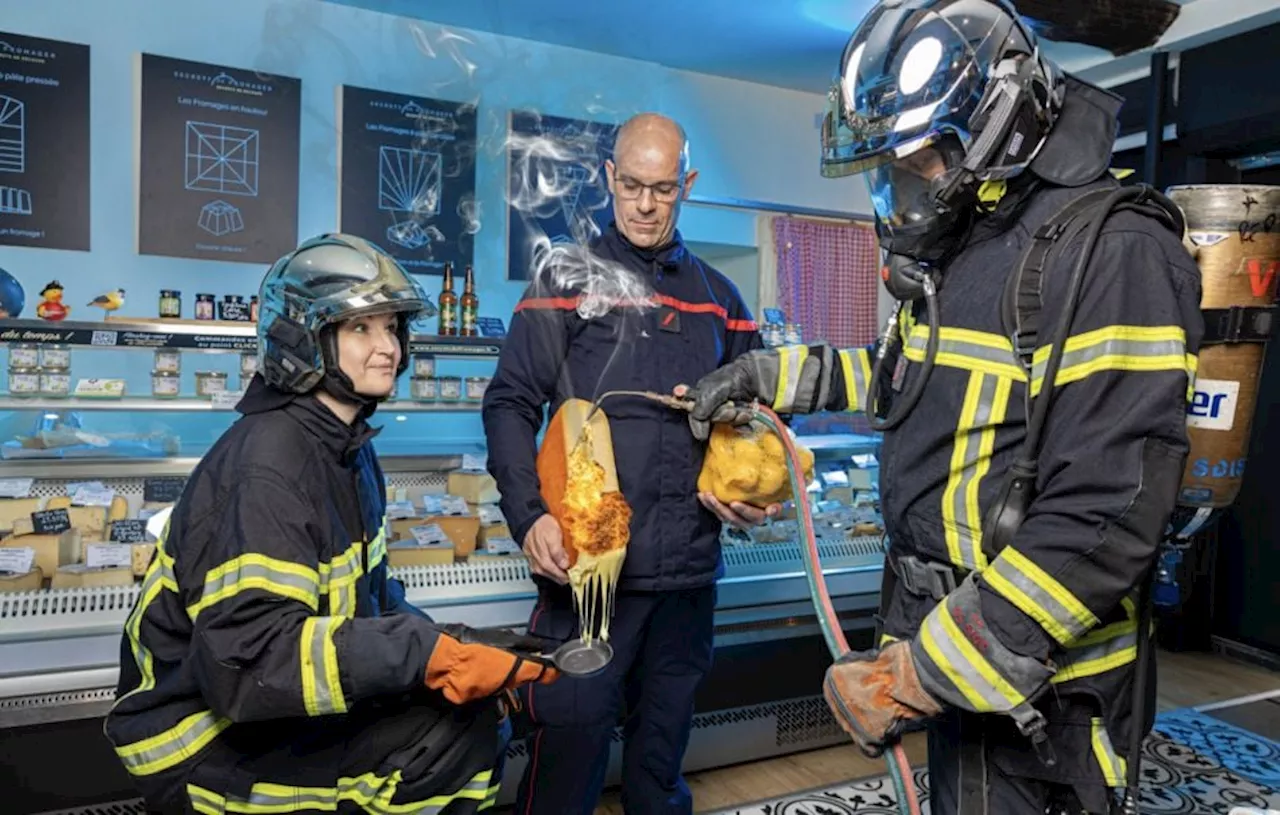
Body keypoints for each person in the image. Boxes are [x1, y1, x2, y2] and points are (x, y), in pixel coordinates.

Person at [681, 2, 1203, 813]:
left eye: (916, 161)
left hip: (1043, 699)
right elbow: (903, 378)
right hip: (961, 655)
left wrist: (918, 675)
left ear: (997, 125)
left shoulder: (1116, 252)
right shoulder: (974, 246)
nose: (897, 189)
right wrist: (761, 375)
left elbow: (1104, 515)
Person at [104, 234, 559, 814]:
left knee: (468, 718)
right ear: (303, 340)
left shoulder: (347, 447)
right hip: (196, 740)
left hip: (269, 713)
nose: (388, 347)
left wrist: (454, 646)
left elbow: (372, 599)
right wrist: (420, 654)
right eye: (361, 328)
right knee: (443, 748)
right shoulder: (268, 465)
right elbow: (254, 663)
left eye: (392, 327)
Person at [482, 112, 773, 814]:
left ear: (688, 186)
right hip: (590, 574)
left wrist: (752, 495)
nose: (646, 204)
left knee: (659, 760)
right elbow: (509, 403)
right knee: (568, 749)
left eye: (664, 189)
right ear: (610, 178)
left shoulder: (721, 302)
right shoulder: (564, 279)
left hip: (687, 579)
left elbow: (757, 424)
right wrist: (528, 517)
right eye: (633, 185)